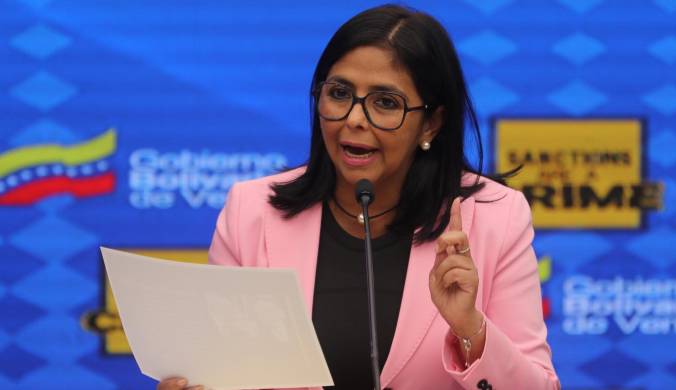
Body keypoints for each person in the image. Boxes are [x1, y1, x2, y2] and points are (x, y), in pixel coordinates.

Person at [158, 4, 559, 390]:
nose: (353, 118)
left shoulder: (494, 218)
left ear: (431, 123)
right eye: (339, 93)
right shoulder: (251, 212)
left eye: (385, 103)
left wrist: (471, 329)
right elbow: (221, 375)